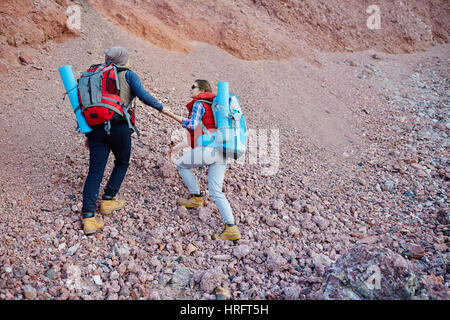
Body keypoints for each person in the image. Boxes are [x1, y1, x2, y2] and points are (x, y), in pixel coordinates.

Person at [81, 46, 166, 235]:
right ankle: (108, 199)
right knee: (122, 162)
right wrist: (160, 107)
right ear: (124, 60)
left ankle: (88, 217)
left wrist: (89, 135)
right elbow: (142, 95)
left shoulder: (96, 74)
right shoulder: (128, 75)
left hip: (96, 129)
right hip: (119, 127)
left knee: (95, 172)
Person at [161, 80, 241, 241]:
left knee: (181, 164)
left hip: (210, 149)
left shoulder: (200, 103)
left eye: (193, 87)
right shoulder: (216, 107)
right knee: (216, 191)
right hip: (222, 150)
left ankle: (196, 197)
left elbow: (192, 125)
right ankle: (231, 228)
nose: (190, 89)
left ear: (202, 89)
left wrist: (169, 114)